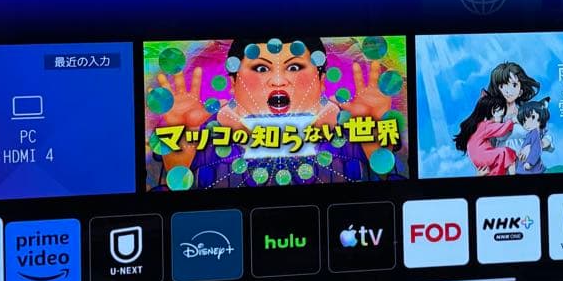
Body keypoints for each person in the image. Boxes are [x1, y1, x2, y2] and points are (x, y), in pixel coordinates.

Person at [150, 37, 395, 189]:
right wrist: (178, 158)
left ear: (321, 80)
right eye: (260, 68)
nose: (278, 80)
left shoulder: (350, 130)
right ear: (233, 83)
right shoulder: (206, 135)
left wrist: (373, 137)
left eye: (294, 67)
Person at [453, 92, 517, 175]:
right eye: (501, 116)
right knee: (506, 152)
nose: (501, 119)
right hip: (483, 155)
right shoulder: (485, 125)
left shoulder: (478, 126)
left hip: (478, 159)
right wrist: (512, 121)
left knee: (497, 163)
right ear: (493, 112)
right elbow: (500, 129)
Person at [485, 61, 540, 127]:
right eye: (502, 86)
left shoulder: (525, 112)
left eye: (514, 85)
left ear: (520, 92)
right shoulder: (494, 112)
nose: (508, 90)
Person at [515, 98, 552, 174]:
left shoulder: (535, 133)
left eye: (532, 117)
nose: (527, 123)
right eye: (524, 121)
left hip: (531, 169)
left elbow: (536, 148)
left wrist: (530, 163)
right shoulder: (531, 133)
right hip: (523, 168)